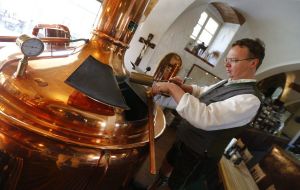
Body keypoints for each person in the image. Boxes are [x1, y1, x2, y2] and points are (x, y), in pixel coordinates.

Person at [148, 38, 265, 190]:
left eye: (234, 60)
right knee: (166, 167)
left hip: (198, 153)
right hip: (186, 139)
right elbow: (203, 92)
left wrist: (172, 88)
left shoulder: (250, 100)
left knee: (175, 185)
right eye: (227, 59)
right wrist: (184, 88)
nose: (227, 64)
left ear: (253, 63)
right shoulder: (228, 82)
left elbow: (206, 118)